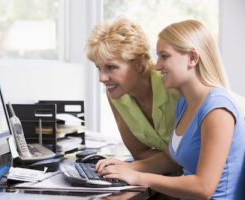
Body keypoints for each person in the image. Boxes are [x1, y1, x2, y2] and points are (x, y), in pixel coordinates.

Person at [95, 20, 245, 199]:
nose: (157, 66)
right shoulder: (184, 104)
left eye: (164, 56)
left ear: (192, 58)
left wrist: (139, 177)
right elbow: (169, 159)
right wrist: (127, 167)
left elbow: (204, 188)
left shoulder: (217, 109)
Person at [85, 17, 179, 160]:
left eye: (111, 67)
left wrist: (131, 170)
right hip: (168, 175)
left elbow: (192, 155)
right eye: (99, 68)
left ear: (139, 64)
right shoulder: (117, 95)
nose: (101, 78)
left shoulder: (174, 87)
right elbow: (140, 153)